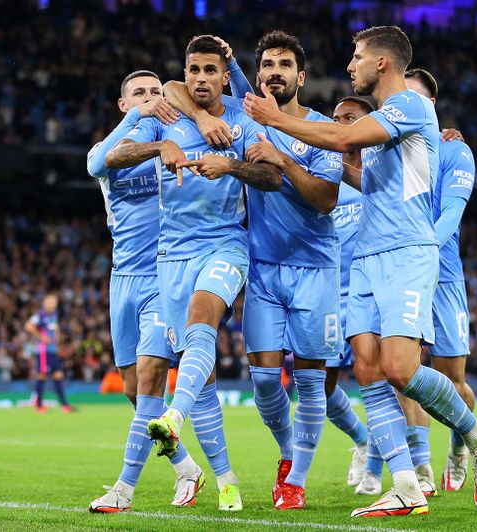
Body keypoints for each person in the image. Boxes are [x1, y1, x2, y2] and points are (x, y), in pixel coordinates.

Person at [244, 25, 477, 517]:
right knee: (366, 369)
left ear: (383, 63)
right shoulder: (388, 121)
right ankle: (405, 482)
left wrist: (275, 121)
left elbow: (341, 136)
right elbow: (363, 176)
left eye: (357, 56)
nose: (350, 65)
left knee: (401, 368)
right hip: (364, 257)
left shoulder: (410, 106)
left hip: (407, 252)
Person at [164, 31, 342, 511]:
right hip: (264, 267)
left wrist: (278, 158)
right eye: (267, 64)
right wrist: (204, 117)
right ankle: (288, 452)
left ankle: (296, 479)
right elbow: (173, 87)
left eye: (285, 64)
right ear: (256, 73)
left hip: (316, 269)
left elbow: (326, 200)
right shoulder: (246, 118)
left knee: (308, 381)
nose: (275, 72)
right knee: (264, 382)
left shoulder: (322, 128)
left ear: (300, 77)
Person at [105, 34, 282, 512]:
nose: (201, 79)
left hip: (225, 246)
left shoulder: (242, 120)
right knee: (197, 380)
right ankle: (225, 479)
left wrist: (231, 165)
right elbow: (113, 156)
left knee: (203, 317)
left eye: (210, 71)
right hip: (170, 258)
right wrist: (157, 147)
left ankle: (172, 419)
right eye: (193, 71)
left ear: (225, 76)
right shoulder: (166, 114)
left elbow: (273, 176)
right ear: (185, 75)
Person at [86, 70, 206, 513]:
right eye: (140, 94)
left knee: (153, 378)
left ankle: (123, 490)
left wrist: (164, 135)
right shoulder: (115, 152)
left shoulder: (174, 144)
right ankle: (185, 468)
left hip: (163, 279)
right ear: (125, 105)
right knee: (136, 392)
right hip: (123, 282)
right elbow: (96, 164)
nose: (153, 99)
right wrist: (141, 118)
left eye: (157, 92)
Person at [397, 68, 477, 496]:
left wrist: (424, 247)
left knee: (452, 379)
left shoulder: (453, 151)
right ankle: (421, 465)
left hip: (442, 273)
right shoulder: (393, 144)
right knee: (405, 372)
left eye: (414, 98)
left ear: (430, 105)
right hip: (404, 270)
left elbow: (452, 213)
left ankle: (460, 447)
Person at [329, 96, 388, 496]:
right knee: (319, 387)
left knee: (377, 384)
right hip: (329, 298)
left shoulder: (386, 174)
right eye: (335, 119)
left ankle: (376, 470)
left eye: (350, 118)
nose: (341, 124)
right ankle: (361, 436)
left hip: (372, 295)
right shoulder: (326, 175)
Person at [24, 293, 72, 414]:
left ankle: (65, 405)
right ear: (46, 303)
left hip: (53, 351)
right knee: (42, 376)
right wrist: (41, 337)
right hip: (43, 351)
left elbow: (55, 330)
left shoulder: (53, 315)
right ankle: (39, 405)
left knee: (58, 375)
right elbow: (28, 326)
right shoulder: (40, 315)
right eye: (52, 302)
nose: (54, 305)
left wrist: (58, 344)